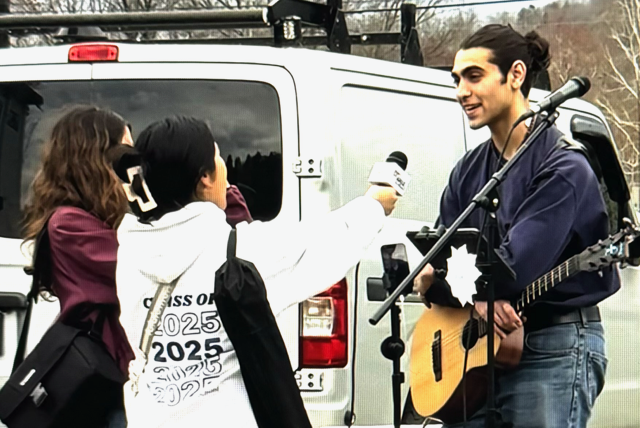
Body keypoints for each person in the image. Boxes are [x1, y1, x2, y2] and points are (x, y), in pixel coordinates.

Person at [114, 115, 397, 428]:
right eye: (218, 156)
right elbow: (328, 239)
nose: (225, 168)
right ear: (205, 178)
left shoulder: (130, 255)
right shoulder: (240, 252)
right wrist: (375, 204)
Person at [413, 24, 620, 428]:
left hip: (552, 347)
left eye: (474, 76)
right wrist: (468, 297)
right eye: (457, 80)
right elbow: (437, 257)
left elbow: (511, 271)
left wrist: (446, 284)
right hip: (475, 351)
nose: (461, 92)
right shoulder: (469, 172)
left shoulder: (564, 168)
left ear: (516, 75)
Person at [22, 105, 136, 428]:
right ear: (96, 158)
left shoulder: (104, 218)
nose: (134, 162)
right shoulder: (69, 224)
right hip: (108, 382)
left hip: (125, 379)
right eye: (126, 152)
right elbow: (141, 265)